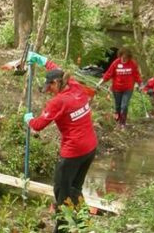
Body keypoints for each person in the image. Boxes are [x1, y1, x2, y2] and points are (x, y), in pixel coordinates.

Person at [24, 52, 97, 232]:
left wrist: (28, 119)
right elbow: (56, 69)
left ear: (57, 83)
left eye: (50, 87)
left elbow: (38, 125)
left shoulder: (58, 102)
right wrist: (41, 60)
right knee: (75, 188)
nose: (49, 91)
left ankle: (62, 229)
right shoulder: (74, 86)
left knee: (61, 190)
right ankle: (82, 224)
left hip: (73, 152)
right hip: (90, 148)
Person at [96, 47, 142, 128]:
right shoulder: (115, 63)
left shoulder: (132, 63)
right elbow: (108, 74)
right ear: (120, 56)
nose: (125, 60)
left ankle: (123, 123)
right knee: (117, 106)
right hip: (117, 89)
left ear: (129, 57)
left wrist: (140, 84)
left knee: (124, 106)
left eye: (127, 58)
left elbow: (137, 75)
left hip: (128, 89)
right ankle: (118, 122)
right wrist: (100, 83)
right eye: (123, 58)